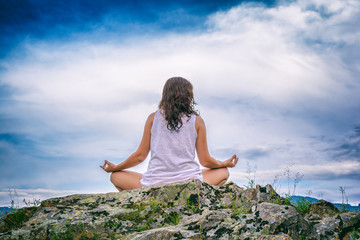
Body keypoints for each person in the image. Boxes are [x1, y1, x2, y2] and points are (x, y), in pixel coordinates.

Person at [100, 77, 238, 191]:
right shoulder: (197, 122)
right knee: (223, 172)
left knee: (115, 176)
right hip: (189, 183)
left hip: (154, 185)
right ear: (188, 97)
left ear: (165, 95)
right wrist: (223, 163)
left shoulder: (152, 118)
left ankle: (148, 198)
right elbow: (205, 161)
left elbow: (139, 156)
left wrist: (116, 167)